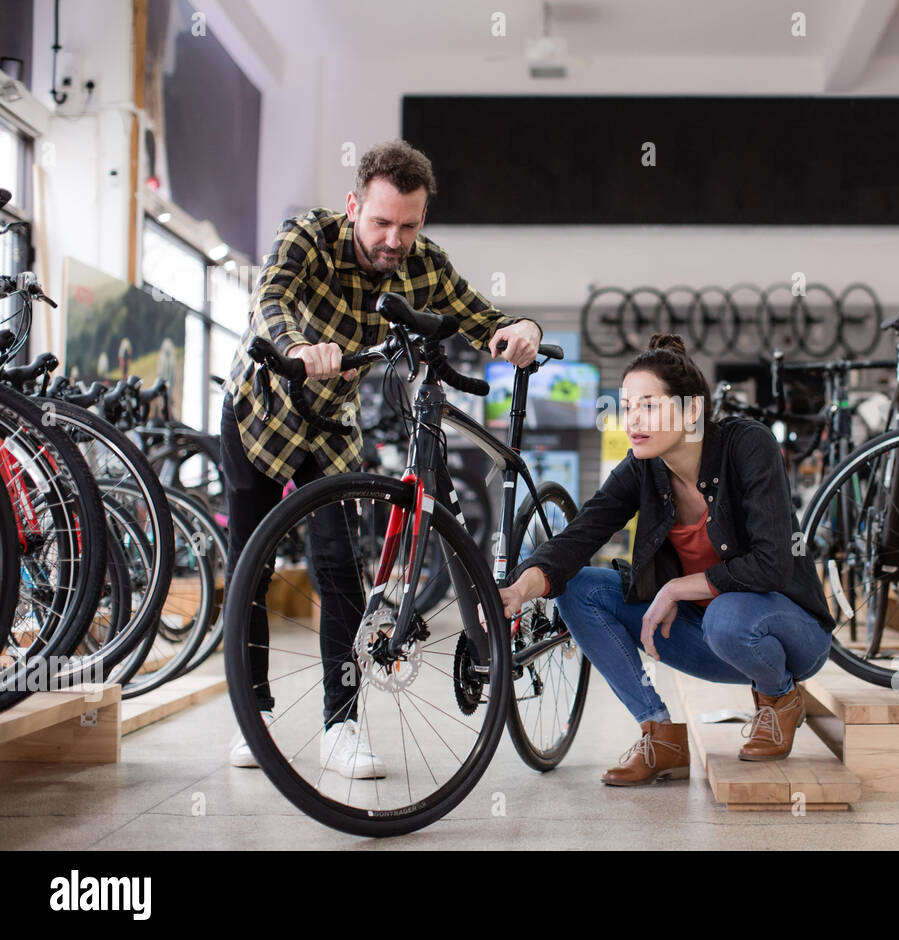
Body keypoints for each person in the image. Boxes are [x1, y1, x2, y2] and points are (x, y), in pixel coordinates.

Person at [224, 139, 542, 774]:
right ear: (353, 206)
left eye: (409, 224)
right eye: (381, 222)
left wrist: (521, 329)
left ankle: (340, 725)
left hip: (332, 426)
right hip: (261, 413)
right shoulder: (306, 239)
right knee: (249, 571)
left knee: (341, 567)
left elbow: (478, 316)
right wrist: (299, 345)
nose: (394, 239)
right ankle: (251, 714)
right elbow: (271, 301)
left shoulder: (422, 263)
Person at [499, 334, 834, 786]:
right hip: (710, 639)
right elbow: (580, 536)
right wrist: (520, 588)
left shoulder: (746, 445)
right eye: (627, 406)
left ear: (692, 411)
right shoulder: (643, 467)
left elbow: (770, 564)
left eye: (649, 406)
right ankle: (659, 732)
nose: (633, 419)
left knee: (727, 613)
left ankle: (779, 698)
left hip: (789, 636)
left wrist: (676, 588)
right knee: (580, 588)